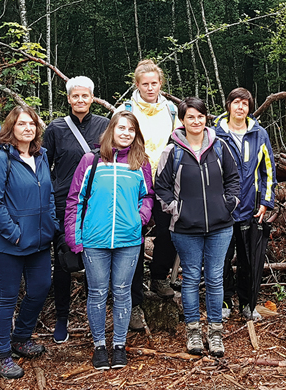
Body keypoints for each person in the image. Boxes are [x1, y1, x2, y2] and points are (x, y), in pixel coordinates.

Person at [65, 111, 152, 370]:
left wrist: (140, 218)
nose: (126, 133)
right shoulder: (90, 160)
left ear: (136, 134)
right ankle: (100, 345)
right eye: (121, 128)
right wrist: (74, 237)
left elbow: (147, 196)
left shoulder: (140, 162)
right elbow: (75, 200)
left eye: (131, 130)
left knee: (123, 292)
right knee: (98, 292)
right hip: (95, 240)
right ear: (111, 129)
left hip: (128, 240)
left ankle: (119, 345)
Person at [155, 97, 240, 357]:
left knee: (215, 278)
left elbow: (234, 179)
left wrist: (229, 204)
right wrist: (176, 211)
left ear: (206, 118)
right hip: (185, 228)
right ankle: (193, 331)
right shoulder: (173, 151)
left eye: (200, 116)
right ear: (182, 120)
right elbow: (161, 187)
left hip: (220, 225)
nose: (196, 121)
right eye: (190, 117)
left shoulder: (220, 147)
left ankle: (215, 333)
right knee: (190, 278)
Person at [0, 105, 58, 379]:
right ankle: (1, 354)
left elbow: (48, 194)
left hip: (39, 240)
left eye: (32, 124)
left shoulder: (40, 156)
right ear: (11, 128)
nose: (27, 128)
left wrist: (51, 223)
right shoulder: (0, 159)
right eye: (21, 123)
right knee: (6, 297)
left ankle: (21, 337)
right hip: (8, 243)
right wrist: (14, 233)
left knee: (40, 287)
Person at [43, 76, 110, 343]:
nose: (80, 100)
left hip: (97, 203)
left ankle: (100, 318)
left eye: (85, 96)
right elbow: (43, 168)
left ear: (93, 98)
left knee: (100, 259)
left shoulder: (105, 126)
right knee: (64, 262)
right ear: (68, 99)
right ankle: (62, 318)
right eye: (75, 96)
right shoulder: (55, 129)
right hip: (64, 204)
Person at [118, 59, 181, 331]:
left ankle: (159, 276)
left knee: (169, 232)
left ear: (161, 84)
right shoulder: (126, 110)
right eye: (145, 84)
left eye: (154, 83)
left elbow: (179, 141)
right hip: (134, 181)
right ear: (137, 85)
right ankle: (133, 301)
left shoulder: (171, 109)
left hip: (165, 181)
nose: (150, 88)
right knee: (133, 237)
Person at [214, 87, 276, 321]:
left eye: (245, 104)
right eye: (236, 102)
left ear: (249, 108)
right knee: (221, 259)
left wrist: (266, 202)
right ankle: (224, 300)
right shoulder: (215, 134)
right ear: (228, 105)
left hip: (251, 208)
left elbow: (268, 171)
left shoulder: (259, 134)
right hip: (222, 209)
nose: (240, 107)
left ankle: (247, 304)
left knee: (249, 260)